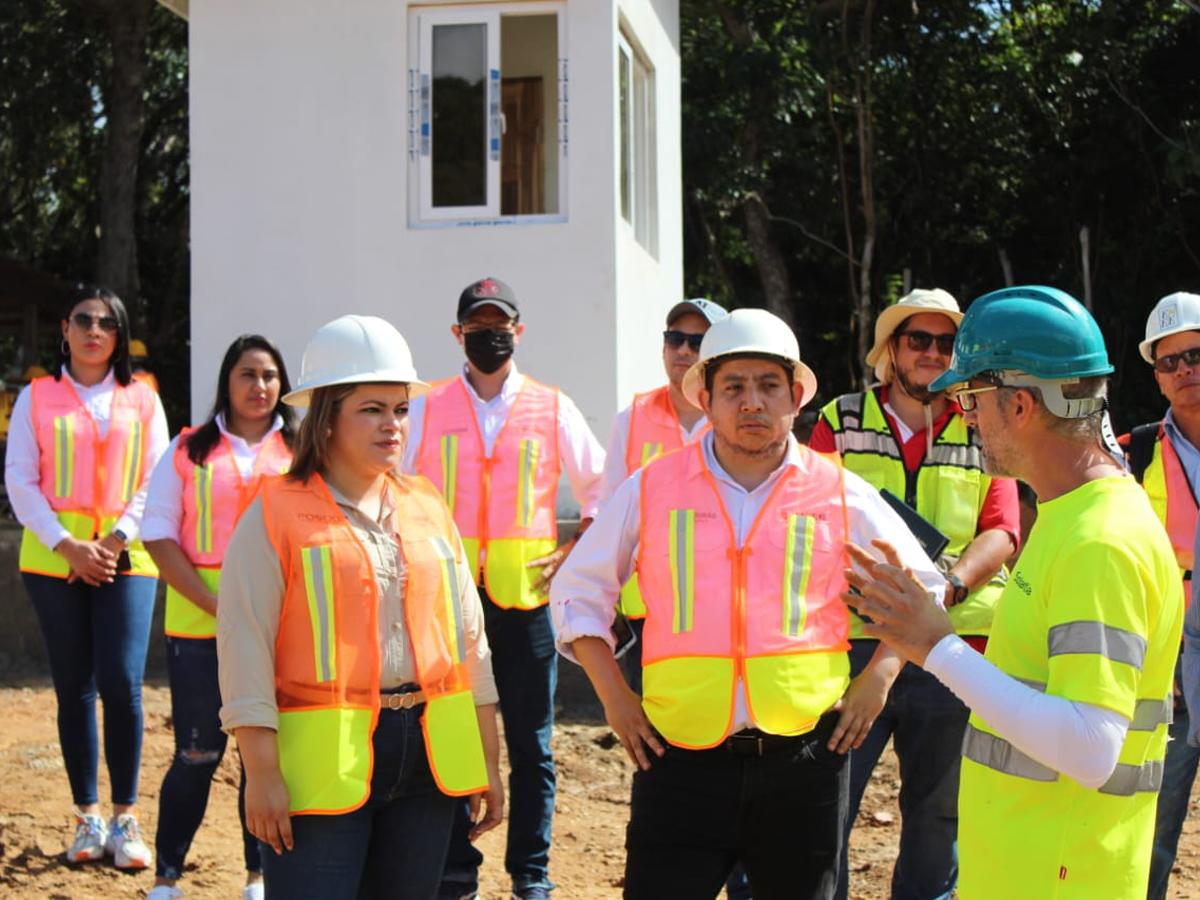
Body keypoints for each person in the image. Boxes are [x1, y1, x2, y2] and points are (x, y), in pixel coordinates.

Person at [550, 308, 945, 899]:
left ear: (795, 397)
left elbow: (923, 586)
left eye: (768, 386)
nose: (752, 403)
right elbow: (578, 591)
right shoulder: (654, 486)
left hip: (804, 760)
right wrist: (615, 700)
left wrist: (880, 677)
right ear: (705, 398)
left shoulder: (837, 490)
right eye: (734, 387)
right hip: (678, 759)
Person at [844, 285, 1183, 900]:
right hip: (1035, 870)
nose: (964, 415)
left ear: (1021, 404)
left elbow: (1088, 748)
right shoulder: (1069, 515)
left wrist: (937, 646)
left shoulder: (1100, 540)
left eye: (971, 397)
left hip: (1059, 879)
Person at [217, 315, 503, 899]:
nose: (392, 425)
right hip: (320, 771)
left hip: (427, 759)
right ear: (326, 419)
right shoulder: (275, 513)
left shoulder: (426, 504)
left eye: (400, 409)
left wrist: (488, 761)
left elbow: (470, 643)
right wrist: (262, 773)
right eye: (372, 409)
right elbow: (244, 646)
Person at [810, 289, 1019, 900]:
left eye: (945, 342)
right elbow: (813, 518)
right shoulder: (839, 419)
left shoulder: (987, 421)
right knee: (827, 805)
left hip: (955, 649)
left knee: (938, 816)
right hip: (849, 643)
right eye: (917, 340)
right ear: (891, 350)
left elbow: (1002, 530)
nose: (932, 352)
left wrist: (944, 590)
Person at [401, 277, 605, 900]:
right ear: (457, 334)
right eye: (477, 324)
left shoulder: (552, 405)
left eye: (501, 323)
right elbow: (395, 483)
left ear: (519, 331)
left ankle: (530, 873)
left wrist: (574, 552)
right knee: (453, 731)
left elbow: (601, 488)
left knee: (532, 745)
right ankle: (456, 866)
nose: (491, 334)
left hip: (526, 604)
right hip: (447, 603)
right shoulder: (429, 403)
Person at [4, 284, 169, 868]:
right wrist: (70, 546)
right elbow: (20, 479)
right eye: (83, 319)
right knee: (75, 686)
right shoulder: (36, 396)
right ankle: (87, 818)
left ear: (119, 335)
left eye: (107, 322)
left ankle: (127, 819)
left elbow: (157, 477)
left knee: (122, 683)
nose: (95, 330)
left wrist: (114, 540)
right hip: (55, 562)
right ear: (65, 330)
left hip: (127, 561)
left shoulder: (144, 399)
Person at [142, 335, 297, 900]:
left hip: (281, 633)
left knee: (264, 752)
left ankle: (259, 876)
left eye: (269, 376)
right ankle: (167, 877)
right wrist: (215, 603)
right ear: (226, 382)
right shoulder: (187, 449)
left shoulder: (303, 452)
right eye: (247, 375)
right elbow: (157, 532)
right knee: (198, 752)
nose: (259, 387)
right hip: (199, 630)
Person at [597, 296, 727, 693]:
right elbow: (610, 515)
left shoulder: (739, 417)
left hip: (721, 608)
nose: (684, 350)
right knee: (653, 733)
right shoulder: (631, 418)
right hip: (648, 610)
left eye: (697, 341)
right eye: (675, 339)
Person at [1118, 291, 1200, 900]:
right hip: (1165, 660)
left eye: (1196, 354)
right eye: (1170, 361)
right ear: (1155, 374)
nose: (1185, 370)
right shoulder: (1132, 452)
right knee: (1149, 830)